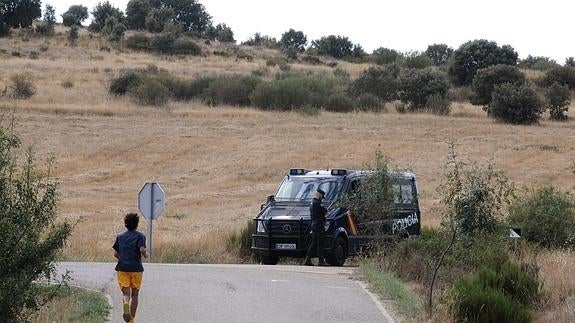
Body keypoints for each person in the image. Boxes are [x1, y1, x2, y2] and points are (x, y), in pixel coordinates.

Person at [113, 213, 148, 323]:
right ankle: (131, 320)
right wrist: (146, 255)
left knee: (126, 294)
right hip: (136, 269)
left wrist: (122, 258)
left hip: (122, 268)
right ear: (137, 224)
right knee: (135, 294)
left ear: (126, 224)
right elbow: (142, 250)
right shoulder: (140, 236)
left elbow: (115, 253)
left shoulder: (120, 237)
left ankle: (126, 304)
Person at [304, 188, 328, 266]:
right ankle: (321, 261)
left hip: (314, 225)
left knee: (314, 243)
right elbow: (322, 212)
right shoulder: (317, 203)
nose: (322, 198)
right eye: (321, 196)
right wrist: (325, 210)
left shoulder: (312, 202)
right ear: (319, 195)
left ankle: (307, 259)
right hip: (318, 225)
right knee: (320, 244)